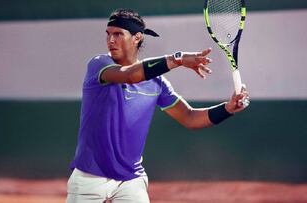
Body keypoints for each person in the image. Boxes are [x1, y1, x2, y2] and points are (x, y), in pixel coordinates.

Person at [67, 8, 249, 203]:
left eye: (118, 34)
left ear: (137, 37)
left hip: (131, 181)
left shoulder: (157, 83)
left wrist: (228, 108)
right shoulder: (99, 64)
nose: (111, 40)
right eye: (108, 34)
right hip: (90, 178)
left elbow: (190, 118)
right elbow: (129, 75)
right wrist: (176, 59)